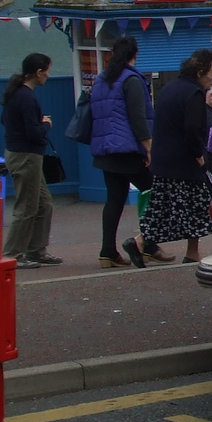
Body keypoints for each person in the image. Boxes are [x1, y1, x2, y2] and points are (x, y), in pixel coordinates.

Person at [89, 36, 172, 267]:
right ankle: (147, 244)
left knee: (114, 200)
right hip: (128, 150)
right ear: (134, 55)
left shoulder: (101, 80)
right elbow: (138, 118)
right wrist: (148, 149)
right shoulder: (131, 80)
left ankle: (107, 252)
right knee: (155, 194)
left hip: (105, 150)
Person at [129, 50, 212, 266]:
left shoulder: (170, 89)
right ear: (200, 72)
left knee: (163, 206)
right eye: (211, 74)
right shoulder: (194, 94)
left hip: (164, 160)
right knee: (195, 207)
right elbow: (192, 128)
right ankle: (185, 251)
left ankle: (141, 242)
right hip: (184, 162)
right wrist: (198, 155)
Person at [2, 53, 59, 268]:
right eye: (47, 70)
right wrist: (45, 124)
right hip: (26, 156)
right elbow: (34, 133)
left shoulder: (15, 93)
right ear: (38, 72)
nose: (48, 75)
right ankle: (12, 254)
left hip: (21, 154)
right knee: (26, 207)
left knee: (44, 204)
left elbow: (6, 121)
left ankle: (36, 249)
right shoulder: (27, 98)